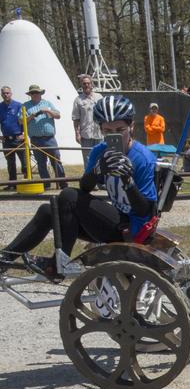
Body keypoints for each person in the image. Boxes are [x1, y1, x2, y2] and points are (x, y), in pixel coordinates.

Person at [0, 95, 158, 279]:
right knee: (48, 211)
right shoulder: (100, 151)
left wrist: (127, 180)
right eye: (107, 130)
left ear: (132, 127)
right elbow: (84, 187)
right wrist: (98, 170)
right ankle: (5, 258)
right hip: (115, 220)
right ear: (100, 129)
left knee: (67, 194)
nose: (114, 135)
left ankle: (61, 265)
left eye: (120, 129)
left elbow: (145, 210)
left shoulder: (142, 157)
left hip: (133, 228)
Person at [23, 85, 66, 188]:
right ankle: (46, 185)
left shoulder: (48, 103)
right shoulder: (25, 106)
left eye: (36, 92)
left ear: (40, 93)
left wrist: (48, 111)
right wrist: (32, 116)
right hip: (35, 139)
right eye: (33, 93)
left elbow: (58, 116)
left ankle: (63, 183)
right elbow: (21, 121)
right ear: (30, 95)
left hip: (49, 138)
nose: (35, 94)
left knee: (56, 160)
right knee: (41, 163)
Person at [0, 85, 29, 182]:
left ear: (11, 94)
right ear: (1, 94)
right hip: (7, 140)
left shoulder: (18, 105)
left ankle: (27, 181)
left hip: (19, 138)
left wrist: (24, 133)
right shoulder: (0, 107)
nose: (5, 95)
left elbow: (25, 120)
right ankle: (13, 183)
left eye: (7, 93)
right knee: (10, 163)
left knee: (25, 162)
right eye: (3, 93)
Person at [72, 75, 101, 160]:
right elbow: (76, 119)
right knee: (88, 160)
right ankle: (89, 174)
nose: (86, 85)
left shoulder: (99, 97)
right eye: (84, 83)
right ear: (81, 85)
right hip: (86, 135)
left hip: (99, 134)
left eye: (88, 83)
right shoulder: (78, 100)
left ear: (92, 84)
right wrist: (77, 134)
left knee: (100, 158)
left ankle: (100, 174)